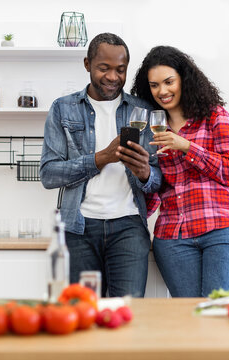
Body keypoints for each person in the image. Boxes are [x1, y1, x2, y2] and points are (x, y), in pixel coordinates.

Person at [40, 33, 162, 297]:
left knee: (126, 314)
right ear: (87, 64)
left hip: (129, 227)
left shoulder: (142, 110)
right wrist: (101, 158)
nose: (112, 77)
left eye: (120, 70)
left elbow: (158, 179)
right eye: (104, 68)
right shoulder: (63, 109)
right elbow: (48, 174)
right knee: (82, 316)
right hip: (78, 228)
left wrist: (145, 174)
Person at [131, 46, 229, 297]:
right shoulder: (151, 130)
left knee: (219, 316)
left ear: (184, 79)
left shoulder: (214, 116)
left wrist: (186, 147)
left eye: (168, 82)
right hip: (173, 238)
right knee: (189, 320)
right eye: (154, 85)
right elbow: (156, 191)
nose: (162, 91)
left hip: (222, 230)